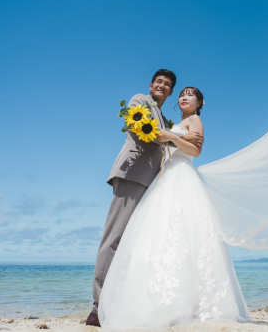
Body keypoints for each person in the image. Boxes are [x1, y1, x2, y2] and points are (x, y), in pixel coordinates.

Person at [98, 86, 249, 329]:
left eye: (190, 95)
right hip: (165, 177)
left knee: (184, 234)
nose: (184, 97)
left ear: (199, 102)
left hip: (182, 177)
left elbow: (197, 151)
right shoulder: (175, 124)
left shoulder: (195, 120)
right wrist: (172, 136)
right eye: (182, 94)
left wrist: (174, 138)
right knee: (162, 237)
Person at [87, 69, 204, 327]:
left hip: (152, 183)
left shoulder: (164, 118)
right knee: (114, 239)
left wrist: (175, 136)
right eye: (159, 82)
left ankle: (120, 300)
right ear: (151, 85)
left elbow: (166, 138)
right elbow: (140, 129)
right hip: (132, 174)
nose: (163, 85)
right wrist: (177, 137)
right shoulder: (140, 101)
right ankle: (97, 307)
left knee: (135, 244)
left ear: (170, 92)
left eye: (168, 84)